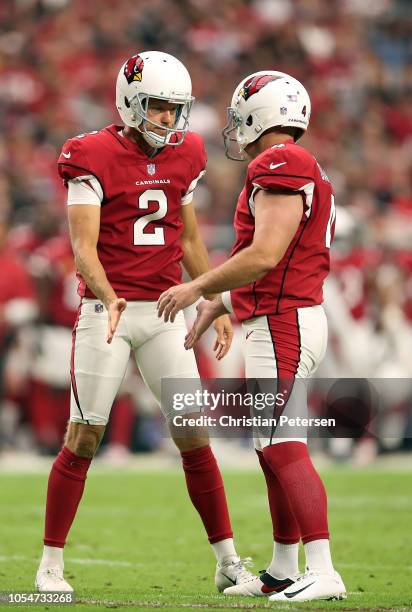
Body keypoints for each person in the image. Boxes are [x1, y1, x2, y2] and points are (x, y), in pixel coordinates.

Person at [35, 51, 254, 593]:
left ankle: (228, 561)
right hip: (106, 311)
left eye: (175, 109)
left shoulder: (188, 154)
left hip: (164, 311)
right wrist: (107, 296)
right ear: (131, 102)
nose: (169, 120)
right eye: (158, 108)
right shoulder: (89, 154)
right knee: (84, 435)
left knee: (193, 435)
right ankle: (50, 565)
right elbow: (82, 246)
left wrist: (214, 299)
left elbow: (187, 239)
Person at [157, 71, 347, 602]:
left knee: (283, 443)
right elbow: (267, 260)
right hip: (280, 316)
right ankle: (285, 566)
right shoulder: (295, 164)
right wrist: (217, 301)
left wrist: (196, 285)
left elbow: (264, 256)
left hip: (284, 319)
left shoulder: (280, 162)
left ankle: (323, 568)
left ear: (260, 115)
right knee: (269, 446)